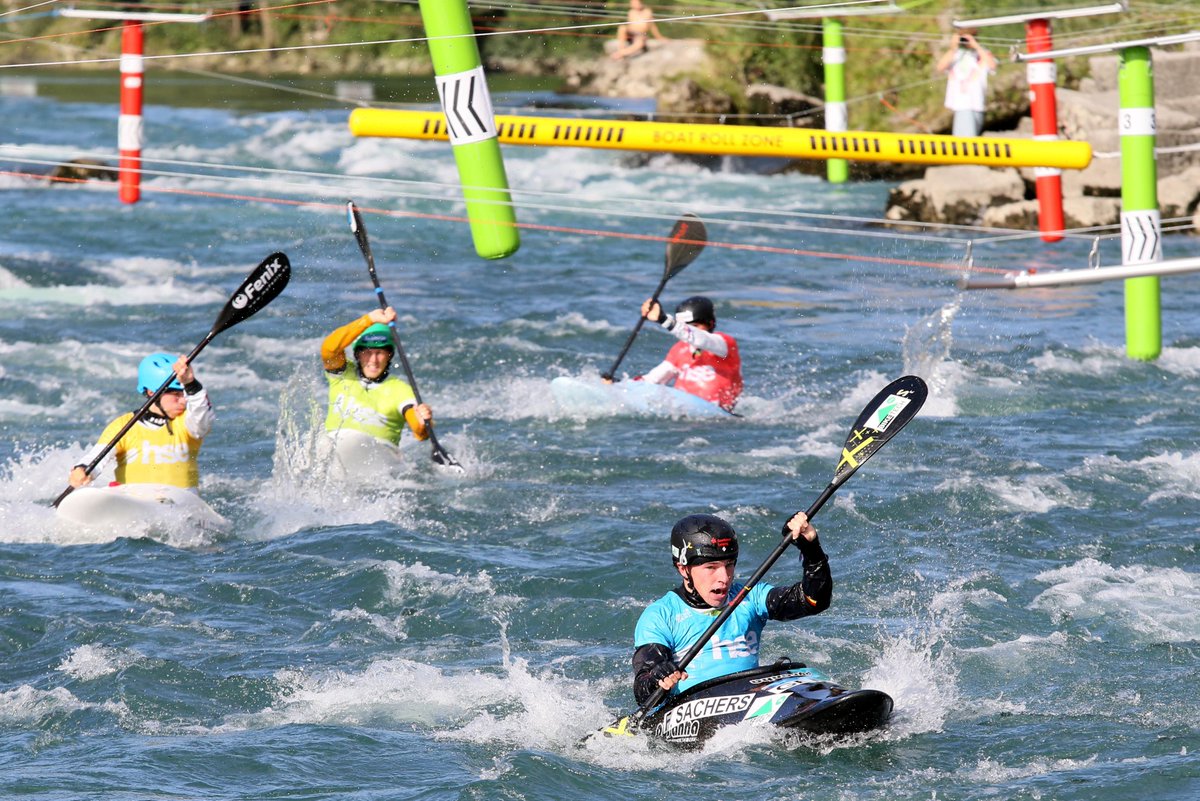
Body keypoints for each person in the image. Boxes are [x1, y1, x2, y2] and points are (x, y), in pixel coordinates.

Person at [631, 512, 831, 704]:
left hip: (749, 698)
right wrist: (657, 676)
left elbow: (813, 601)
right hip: (691, 711)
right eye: (711, 567)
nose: (724, 577)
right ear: (683, 569)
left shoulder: (750, 596)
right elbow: (643, 690)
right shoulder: (660, 615)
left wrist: (811, 548)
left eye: (729, 565)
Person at [68, 353, 214, 490]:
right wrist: (82, 470)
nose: (183, 401)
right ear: (152, 393)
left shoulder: (188, 422)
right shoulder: (123, 425)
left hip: (182, 508)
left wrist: (190, 384)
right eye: (176, 394)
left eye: (184, 394)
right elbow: (97, 457)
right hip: (135, 504)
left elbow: (202, 417)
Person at [321, 306, 433, 449]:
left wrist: (423, 423)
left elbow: (420, 433)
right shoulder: (342, 375)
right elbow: (329, 349)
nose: (373, 360)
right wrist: (369, 319)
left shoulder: (401, 390)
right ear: (357, 354)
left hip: (381, 457)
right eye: (367, 352)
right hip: (333, 448)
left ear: (389, 356)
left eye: (379, 352)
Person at [631, 295, 743, 412]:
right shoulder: (679, 349)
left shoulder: (724, 345)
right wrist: (617, 386)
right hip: (683, 414)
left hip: (719, 417)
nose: (687, 331)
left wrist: (664, 319)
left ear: (710, 324)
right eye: (685, 326)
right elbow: (652, 380)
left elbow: (701, 339)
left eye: (694, 326)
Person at [935, 29, 996, 138]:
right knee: (964, 143)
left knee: (967, 144)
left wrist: (976, 46)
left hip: (976, 102)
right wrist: (953, 48)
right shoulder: (955, 55)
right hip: (961, 104)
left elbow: (992, 66)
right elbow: (940, 67)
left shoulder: (982, 53)